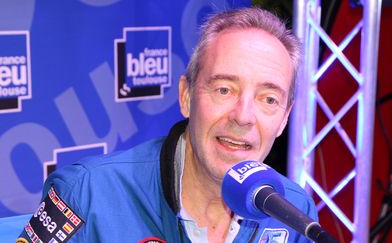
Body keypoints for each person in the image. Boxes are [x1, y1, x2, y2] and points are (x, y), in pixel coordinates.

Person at [17, 7, 317, 243]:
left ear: (284, 118)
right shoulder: (88, 195)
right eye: (224, 89)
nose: (243, 116)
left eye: (268, 99)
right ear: (186, 97)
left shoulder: (292, 211)